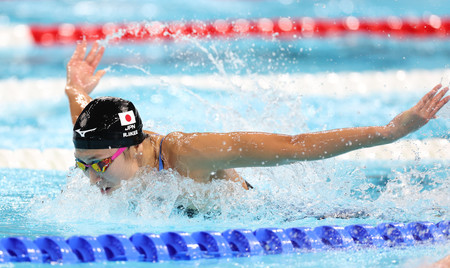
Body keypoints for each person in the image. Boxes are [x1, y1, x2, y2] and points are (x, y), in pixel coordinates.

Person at [66, 41, 449, 195]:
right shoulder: (105, 151)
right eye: (83, 166)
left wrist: (391, 131)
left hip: (276, 222)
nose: (91, 178)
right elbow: (87, 130)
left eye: (98, 166)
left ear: (132, 148)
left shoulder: (189, 153)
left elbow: (295, 146)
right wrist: (74, 89)